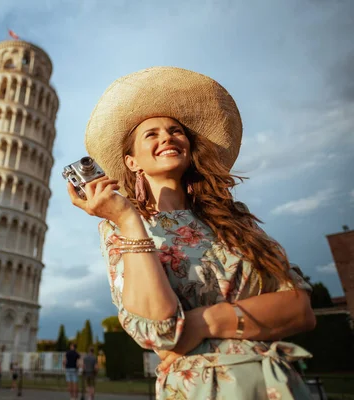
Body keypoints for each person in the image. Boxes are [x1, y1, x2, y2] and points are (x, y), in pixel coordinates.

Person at [69, 67, 316, 399]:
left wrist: (204, 321)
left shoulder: (234, 219)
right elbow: (160, 329)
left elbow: (300, 308)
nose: (167, 138)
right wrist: (128, 219)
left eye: (175, 131)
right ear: (131, 162)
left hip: (276, 385)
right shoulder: (119, 228)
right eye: (151, 134)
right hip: (201, 389)